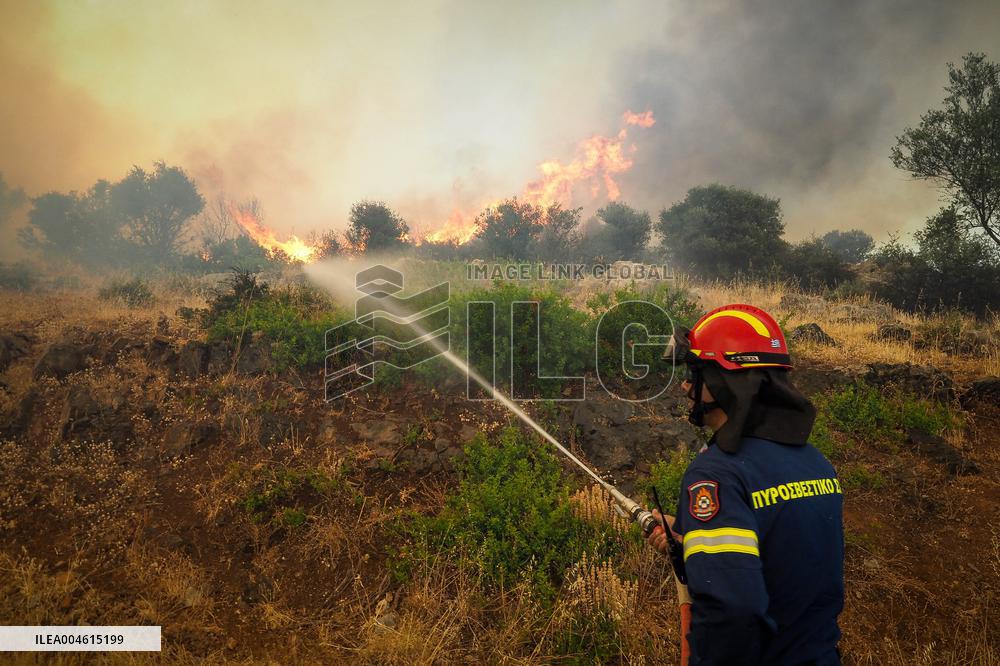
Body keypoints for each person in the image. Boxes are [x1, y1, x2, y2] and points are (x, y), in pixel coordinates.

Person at [647, 304, 844, 666]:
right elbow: (780, 558)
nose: (686, 386)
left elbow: (733, 612)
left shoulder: (716, 476)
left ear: (724, 382)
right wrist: (694, 539)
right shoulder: (816, 464)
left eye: (694, 373)